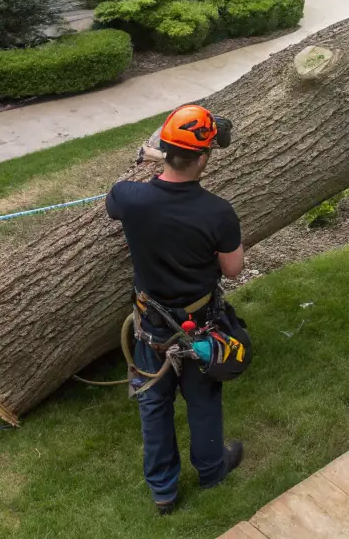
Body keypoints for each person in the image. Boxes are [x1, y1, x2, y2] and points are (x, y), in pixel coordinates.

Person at [106, 104, 246, 514]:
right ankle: (211, 468)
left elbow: (117, 197)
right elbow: (233, 269)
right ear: (203, 157)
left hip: (150, 325)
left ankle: (163, 492)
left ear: (164, 150)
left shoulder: (128, 199)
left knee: (153, 400)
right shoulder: (218, 212)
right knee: (203, 397)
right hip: (198, 327)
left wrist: (150, 163)